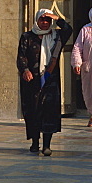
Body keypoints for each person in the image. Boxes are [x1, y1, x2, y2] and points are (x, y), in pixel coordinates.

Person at [17, 8, 73, 155]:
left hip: (50, 80)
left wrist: (56, 17)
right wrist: (25, 70)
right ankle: (35, 143)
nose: (45, 22)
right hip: (32, 82)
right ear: (37, 20)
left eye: (48, 20)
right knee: (33, 111)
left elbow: (69, 29)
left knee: (49, 111)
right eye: (42, 19)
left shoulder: (57, 36)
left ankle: (47, 145)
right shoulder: (27, 36)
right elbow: (21, 56)